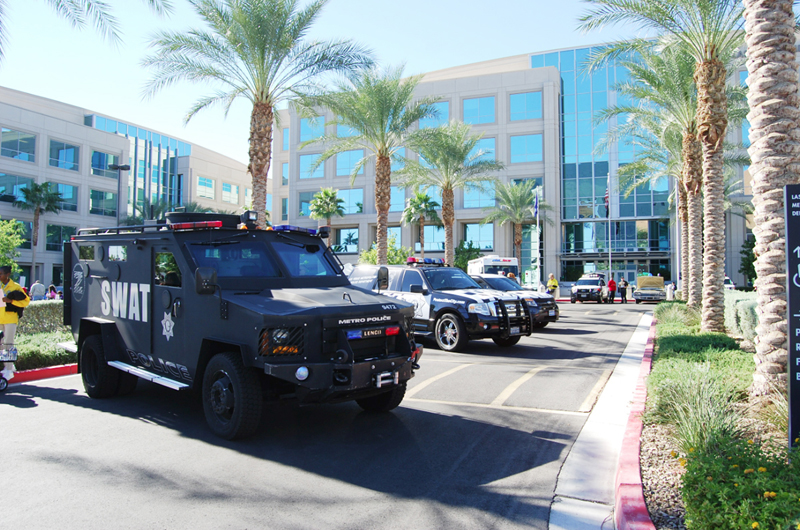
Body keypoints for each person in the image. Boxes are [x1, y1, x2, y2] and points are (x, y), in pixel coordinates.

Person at [0, 265, 30, 383]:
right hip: (0, 319)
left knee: (9, 344)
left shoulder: (15, 287)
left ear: (7, 274)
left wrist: (11, 301)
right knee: (1, 344)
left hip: (11, 319)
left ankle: (8, 370)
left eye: (1, 274)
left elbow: (26, 301)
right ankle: (9, 366)